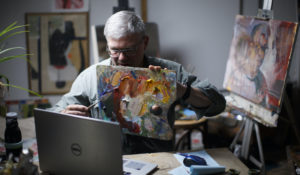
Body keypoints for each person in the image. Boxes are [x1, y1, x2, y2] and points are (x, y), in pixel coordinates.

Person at [50, 10, 226, 154]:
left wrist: (181, 90)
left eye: (129, 49)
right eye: (115, 50)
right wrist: (65, 115)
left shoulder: (168, 71)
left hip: (158, 164)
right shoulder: (90, 76)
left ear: (145, 42)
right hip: (105, 162)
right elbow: (53, 115)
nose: (121, 57)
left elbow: (217, 104)